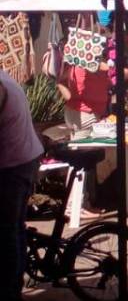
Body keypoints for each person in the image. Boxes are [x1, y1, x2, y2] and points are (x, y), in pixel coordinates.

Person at [2, 69, 43, 298]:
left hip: (13, 165)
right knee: (15, 228)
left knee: (6, 231)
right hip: (23, 160)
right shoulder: (5, 77)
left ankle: (9, 289)